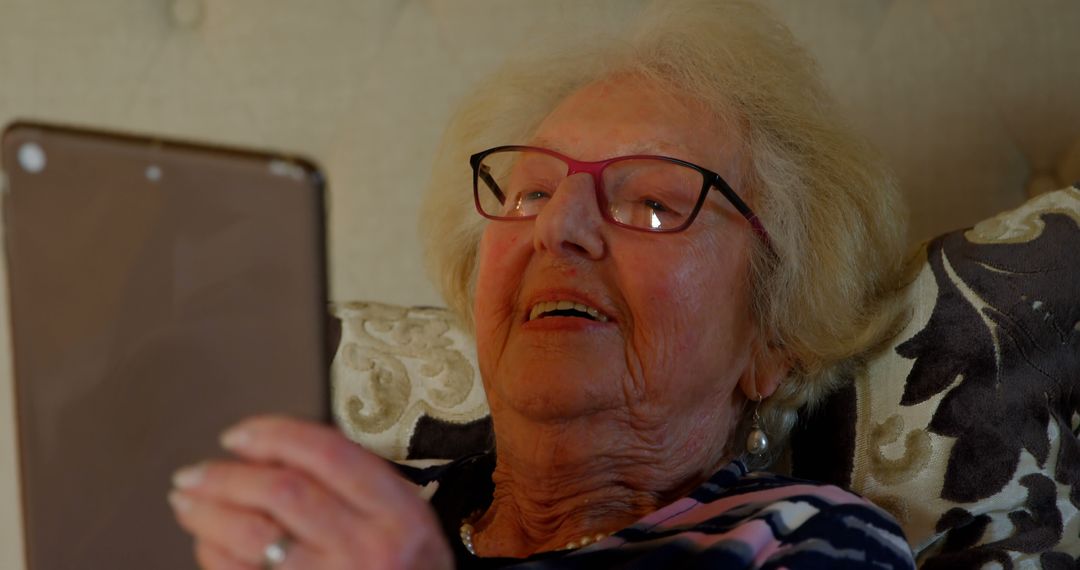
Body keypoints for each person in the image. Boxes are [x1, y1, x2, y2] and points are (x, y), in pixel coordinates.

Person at [168, 0, 914, 568]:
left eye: (652, 203)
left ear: (773, 336)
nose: (560, 228)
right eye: (531, 194)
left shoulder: (806, 539)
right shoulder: (347, 511)